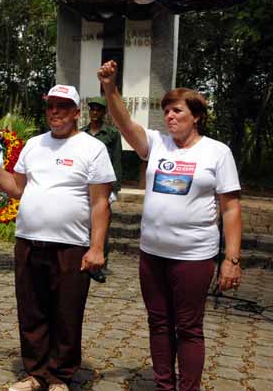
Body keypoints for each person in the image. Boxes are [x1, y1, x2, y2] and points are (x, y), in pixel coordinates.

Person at [97, 60, 242, 391]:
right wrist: (110, 88)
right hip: (152, 254)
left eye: (177, 111)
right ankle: (164, 385)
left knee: (188, 327)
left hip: (194, 257)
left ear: (196, 116)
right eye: (166, 112)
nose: (170, 117)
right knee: (159, 323)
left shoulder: (216, 153)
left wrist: (231, 260)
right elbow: (123, 122)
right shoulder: (156, 144)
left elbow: (231, 208)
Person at [0, 84, 115, 391]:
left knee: (66, 313)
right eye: (50, 106)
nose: (55, 112)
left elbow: (100, 204)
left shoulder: (92, 148)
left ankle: (60, 377)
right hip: (29, 241)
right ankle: (36, 373)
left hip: (72, 246)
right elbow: (16, 188)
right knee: (32, 310)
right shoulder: (33, 145)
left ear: (76, 112)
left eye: (63, 106)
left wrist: (96, 248)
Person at [82, 96, 123, 279]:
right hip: (85, 184)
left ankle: (100, 264)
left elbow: (116, 161)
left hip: (103, 185)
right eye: (92, 109)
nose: (95, 112)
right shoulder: (81, 133)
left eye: (99, 109)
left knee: (101, 224)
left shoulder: (112, 134)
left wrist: (115, 188)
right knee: (84, 223)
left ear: (104, 112)